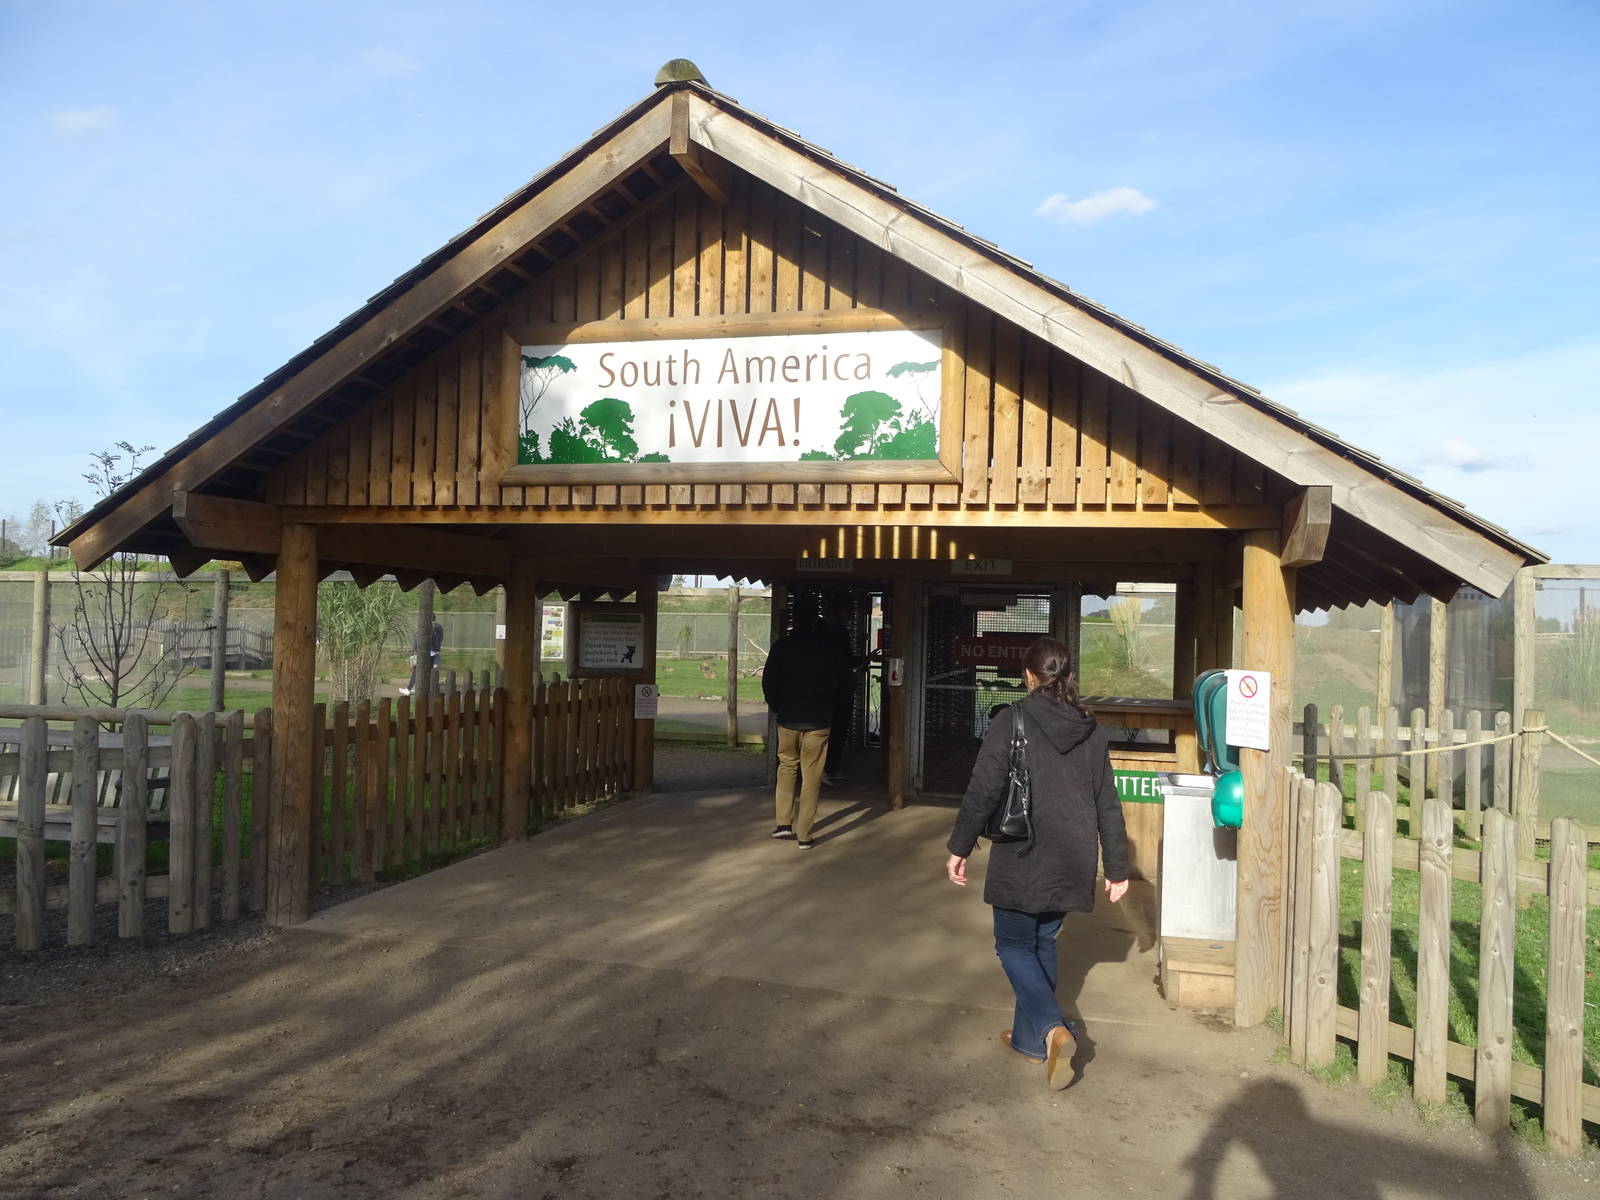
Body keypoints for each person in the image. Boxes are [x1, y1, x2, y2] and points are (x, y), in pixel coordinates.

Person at [944, 635, 1130, 1091]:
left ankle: (1050, 1026)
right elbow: (1107, 802)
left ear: (1029, 676)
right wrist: (1118, 867)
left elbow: (983, 789)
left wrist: (959, 846)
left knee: (1011, 946)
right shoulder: (1092, 728)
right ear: (1066, 676)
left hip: (1024, 851)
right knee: (1042, 943)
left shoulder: (1013, 719)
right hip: (1073, 854)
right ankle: (1031, 1042)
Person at [761, 608, 849, 848]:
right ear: (815, 621)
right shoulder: (828, 649)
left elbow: (769, 681)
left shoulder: (781, 647)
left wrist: (778, 706)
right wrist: (830, 707)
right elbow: (840, 681)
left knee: (787, 767)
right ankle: (804, 835)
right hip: (818, 721)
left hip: (788, 719)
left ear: (793, 621)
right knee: (812, 776)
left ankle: (783, 824)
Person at [819, 595, 861, 784]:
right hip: (839, 690)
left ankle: (821, 768)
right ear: (840, 610)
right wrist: (862, 660)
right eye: (848, 609)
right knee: (838, 731)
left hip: (823, 691)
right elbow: (845, 660)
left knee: (824, 730)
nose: (851, 613)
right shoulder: (839, 631)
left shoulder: (820, 630)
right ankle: (830, 769)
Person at [400, 619, 444, 696]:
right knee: (433, 672)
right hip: (436, 653)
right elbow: (441, 639)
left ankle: (409, 689)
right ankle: (430, 689)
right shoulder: (439, 627)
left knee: (416, 671)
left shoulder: (424, 627)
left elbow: (417, 640)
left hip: (423, 653)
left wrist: (413, 650)